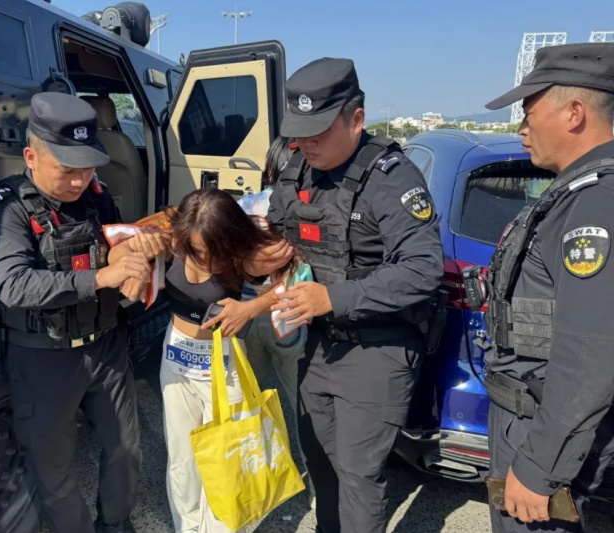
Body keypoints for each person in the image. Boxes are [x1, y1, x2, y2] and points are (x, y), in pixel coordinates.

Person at [265, 57, 445, 533]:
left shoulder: (393, 177)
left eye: (318, 133)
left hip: (377, 349)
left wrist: (333, 298)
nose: (306, 144)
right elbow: (277, 230)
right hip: (319, 344)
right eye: (299, 134)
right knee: (320, 461)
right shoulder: (299, 169)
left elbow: (423, 270)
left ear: (357, 118)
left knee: (358, 475)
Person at [0, 92, 169, 533]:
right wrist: (100, 278)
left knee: (125, 449)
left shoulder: (96, 198)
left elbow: (115, 247)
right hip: (45, 358)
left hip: (106, 345)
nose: (80, 180)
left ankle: (116, 524)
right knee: (55, 471)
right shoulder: (7, 210)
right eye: (67, 169)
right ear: (31, 156)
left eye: (88, 167)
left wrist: (139, 253)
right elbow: (13, 284)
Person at [478, 41, 614, 532]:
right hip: (540, 423)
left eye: (529, 112)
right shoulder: (575, 192)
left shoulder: (596, 204)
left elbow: (590, 352)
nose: (521, 127)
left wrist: (540, 467)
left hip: (553, 439)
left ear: (575, 113)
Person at [158, 187, 296, 533]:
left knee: (230, 458)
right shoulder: (173, 237)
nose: (204, 258)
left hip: (222, 362)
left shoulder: (248, 253)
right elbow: (120, 244)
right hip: (175, 357)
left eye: (213, 251)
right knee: (182, 459)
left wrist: (252, 307)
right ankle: (187, 528)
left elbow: (296, 280)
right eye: (196, 250)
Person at [237, 134, 316, 508]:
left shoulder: (244, 206)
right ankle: (318, 487)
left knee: (248, 400)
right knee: (302, 403)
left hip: (245, 307)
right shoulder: (306, 207)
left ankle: (255, 480)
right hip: (288, 313)